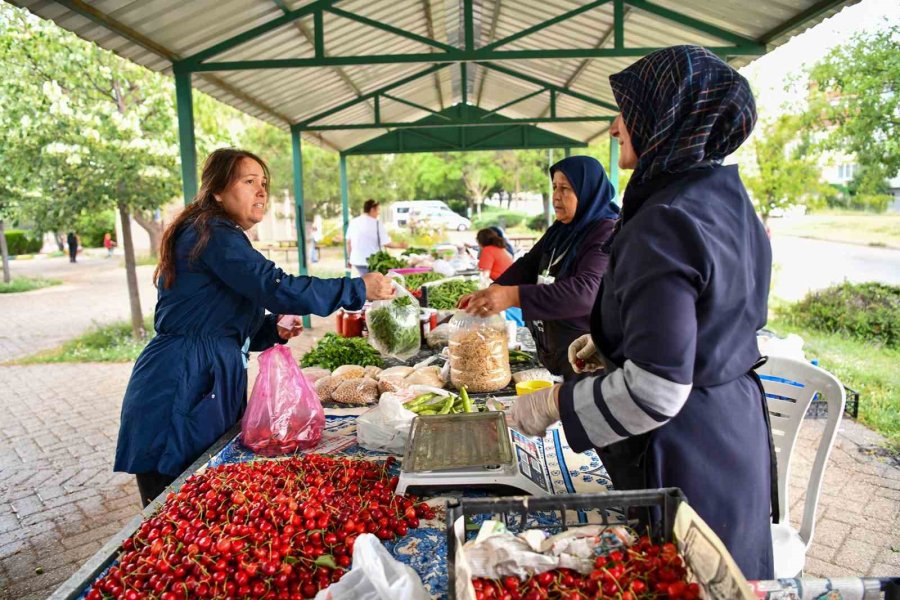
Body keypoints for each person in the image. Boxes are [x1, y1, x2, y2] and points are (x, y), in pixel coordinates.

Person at [505, 46, 775, 579]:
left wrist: (557, 402)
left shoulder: (665, 219)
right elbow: (709, 317)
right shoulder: (724, 196)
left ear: (665, 116)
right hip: (732, 431)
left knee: (686, 577)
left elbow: (657, 390)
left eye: (625, 111)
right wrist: (613, 345)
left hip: (687, 447)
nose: (613, 127)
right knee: (729, 579)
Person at [114, 149, 394, 507]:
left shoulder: (217, 233)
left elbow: (222, 321)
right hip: (181, 382)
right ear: (217, 190)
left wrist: (269, 331)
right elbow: (274, 286)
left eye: (264, 184)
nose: (261, 192)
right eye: (249, 182)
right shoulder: (212, 234)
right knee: (174, 507)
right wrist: (356, 289)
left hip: (204, 374)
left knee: (204, 497)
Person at [460, 156, 619, 379]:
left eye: (565, 188)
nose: (556, 196)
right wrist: (494, 290)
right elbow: (529, 264)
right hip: (557, 349)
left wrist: (512, 296)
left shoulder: (605, 231)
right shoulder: (561, 229)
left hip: (589, 358)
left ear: (587, 191)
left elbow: (585, 293)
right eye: (554, 187)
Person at [345, 199, 405, 275]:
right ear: (372, 209)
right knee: (372, 283)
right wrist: (401, 245)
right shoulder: (377, 223)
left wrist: (349, 258)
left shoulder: (353, 222)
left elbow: (348, 242)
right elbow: (386, 243)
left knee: (365, 280)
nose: (378, 213)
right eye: (378, 210)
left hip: (357, 260)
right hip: (372, 261)